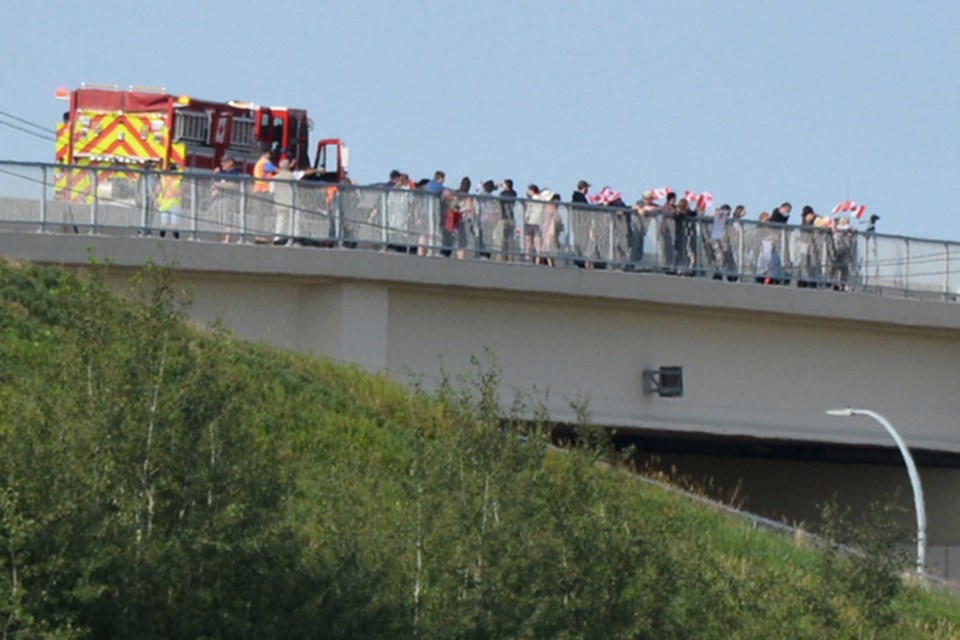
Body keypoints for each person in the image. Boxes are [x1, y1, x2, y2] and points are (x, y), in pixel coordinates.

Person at [272, 158, 320, 245]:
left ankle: (277, 238)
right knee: (295, 220)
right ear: (288, 166)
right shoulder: (293, 175)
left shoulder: (274, 178)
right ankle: (294, 237)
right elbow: (305, 173)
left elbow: (271, 190)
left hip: (279, 202)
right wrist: (317, 170)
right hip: (291, 202)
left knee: (280, 220)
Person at [155, 163, 182, 239]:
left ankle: (162, 238)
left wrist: (157, 199)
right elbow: (180, 192)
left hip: (164, 203)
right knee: (174, 224)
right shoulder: (177, 181)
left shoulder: (163, 180)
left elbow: (157, 190)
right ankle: (176, 239)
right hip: (174, 204)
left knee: (163, 223)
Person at [496, 179, 517, 262]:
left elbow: (499, 202)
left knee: (502, 239)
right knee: (510, 238)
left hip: (503, 217)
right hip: (511, 217)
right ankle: (511, 258)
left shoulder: (502, 194)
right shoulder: (514, 193)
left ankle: (501, 257)